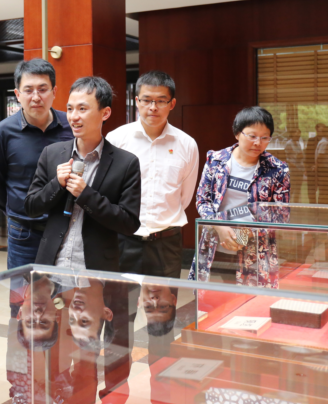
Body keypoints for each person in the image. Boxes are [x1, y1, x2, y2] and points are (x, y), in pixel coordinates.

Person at [25, 76, 141, 272]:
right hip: (52, 265)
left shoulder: (126, 163)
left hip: (96, 269)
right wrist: (56, 184)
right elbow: (30, 207)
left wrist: (86, 195)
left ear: (105, 113)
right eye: (70, 109)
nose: (73, 117)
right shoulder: (51, 154)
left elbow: (129, 224)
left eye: (82, 109)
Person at [106, 71, 199, 278]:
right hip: (123, 240)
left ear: (172, 104)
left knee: (165, 300)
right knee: (120, 298)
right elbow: (109, 191)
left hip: (166, 243)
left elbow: (184, 196)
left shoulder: (186, 144)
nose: (153, 107)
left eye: (161, 101)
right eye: (147, 100)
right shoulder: (116, 139)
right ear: (136, 101)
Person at [189, 106, 290, 287]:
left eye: (264, 137)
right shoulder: (216, 160)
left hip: (255, 250)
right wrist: (220, 227)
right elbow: (202, 200)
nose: (258, 143)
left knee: (250, 300)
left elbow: (281, 215)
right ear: (237, 133)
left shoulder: (277, 169)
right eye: (252, 136)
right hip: (215, 244)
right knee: (211, 299)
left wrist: (243, 235)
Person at [0, 59, 73, 269]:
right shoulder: (3, 131)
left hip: (66, 227)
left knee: (64, 288)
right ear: (18, 94)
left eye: (43, 89)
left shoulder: (71, 126)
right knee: (24, 289)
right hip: (23, 231)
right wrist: (19, 211)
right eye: (28, 90)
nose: (36, 97)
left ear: (54, 92)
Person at [316, 125, 328, 204]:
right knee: (325, 193)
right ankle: (322, 209)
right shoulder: (325, 143)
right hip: (325, 171)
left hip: (326, 170)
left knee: (326, 193)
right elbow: (320, 157)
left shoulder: (327, 143)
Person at [284, 127, 304, 203]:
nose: (298, 137)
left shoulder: (298, 143)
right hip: (293, 168)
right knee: (292, 187)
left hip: (299, 168)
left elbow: (300, 154)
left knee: (298, 187)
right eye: (297, 135)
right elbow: (286, 157)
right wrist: (292, 164)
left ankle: (296, 203)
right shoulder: (289, 144)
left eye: (299, 135)